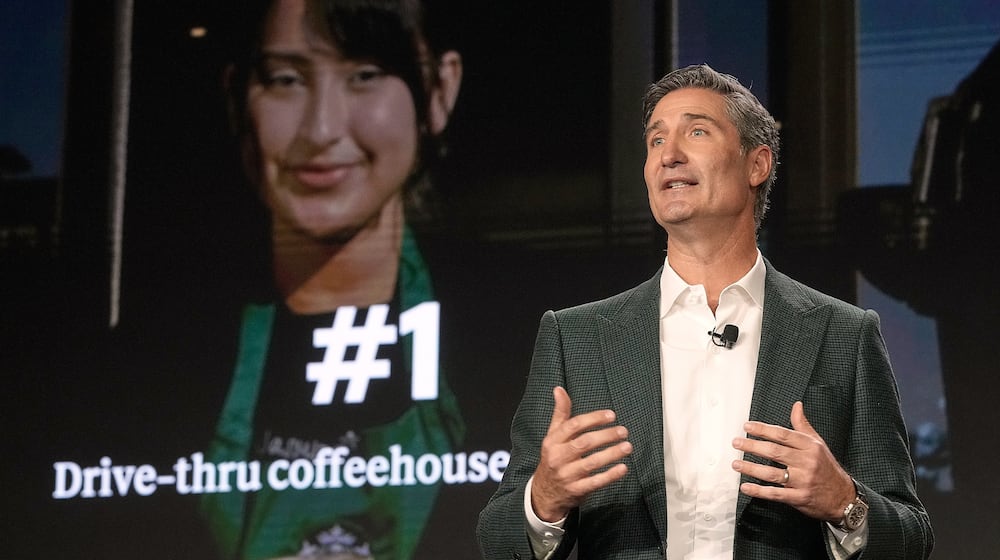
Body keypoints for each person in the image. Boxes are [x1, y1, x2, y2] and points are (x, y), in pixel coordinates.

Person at [477, 64, 933, 559]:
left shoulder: (844, 334)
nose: (669, 155)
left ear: (757, 165)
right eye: (655, 141)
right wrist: (543, 500)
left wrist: (845, 501)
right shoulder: (575, 337)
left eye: (696, 132)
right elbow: (497, 539)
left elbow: (910, 537)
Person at [201, 1, 465, 558]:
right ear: (234, 97)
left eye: (365, 74)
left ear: (440, 90)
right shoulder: (153, 358)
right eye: (285, 80)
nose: (321, 129)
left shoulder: (522, 346)